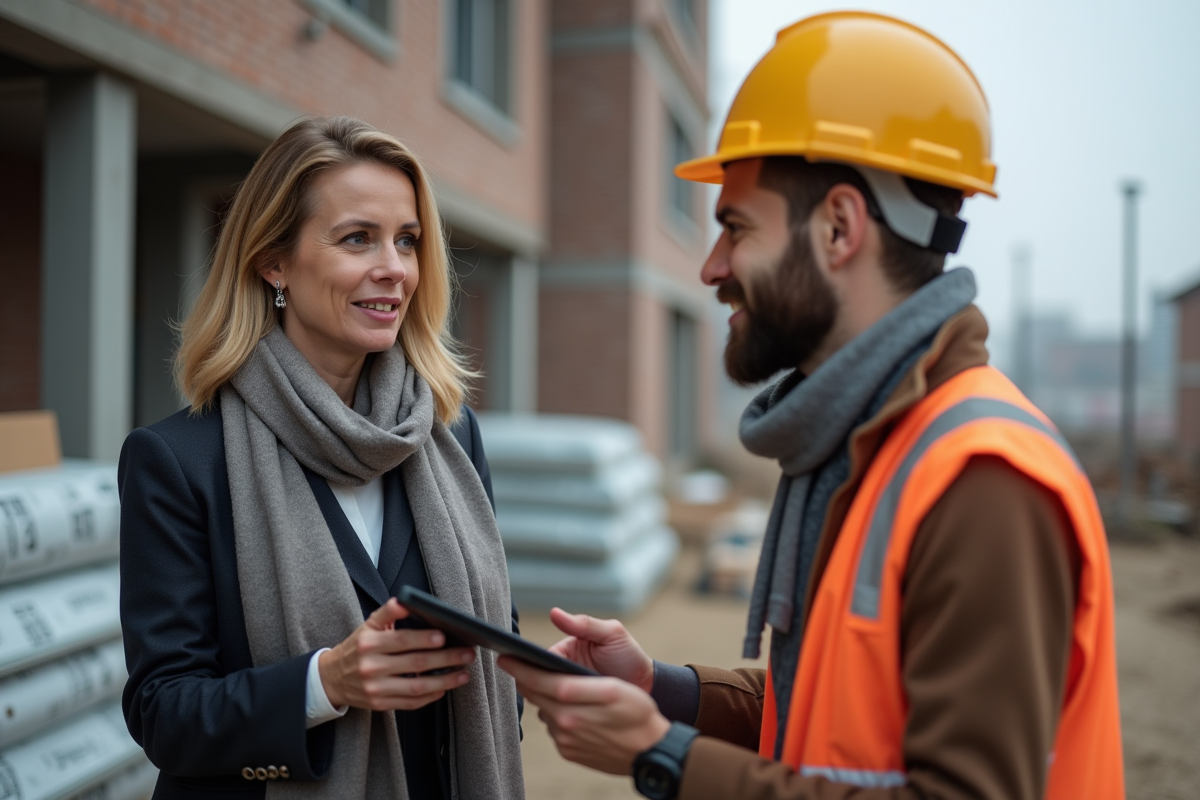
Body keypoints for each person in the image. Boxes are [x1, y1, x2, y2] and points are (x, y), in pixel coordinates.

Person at [500, 12, 1124, 800]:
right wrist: (663, 691)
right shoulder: (871, 447)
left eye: (736, 227)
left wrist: (667, 757)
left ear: (838, 228)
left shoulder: (982, 482)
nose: (710, 266)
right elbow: (831, 715)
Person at [118, 116, 524, 800]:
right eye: (357, 238)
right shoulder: (176, 461)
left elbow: (497, 642)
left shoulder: (453, 439)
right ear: (273, 260)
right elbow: (164, 713)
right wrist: (325, 684)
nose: (394, 269)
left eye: (408, 241)